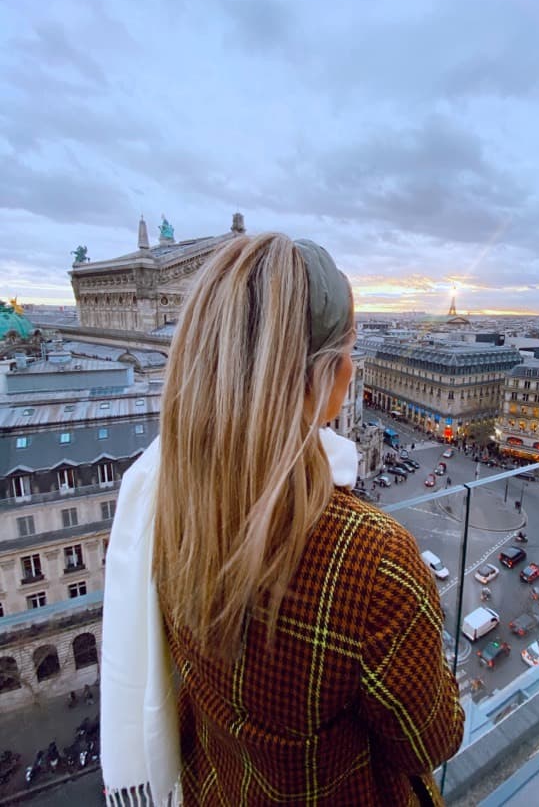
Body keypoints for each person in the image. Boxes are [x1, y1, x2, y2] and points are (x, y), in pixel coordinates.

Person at [101, 234, 464, 806]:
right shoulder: (374, 562)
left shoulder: (170, 501)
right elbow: (430, 743)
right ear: (326, 377)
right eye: (349, 349)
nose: (352, 366)